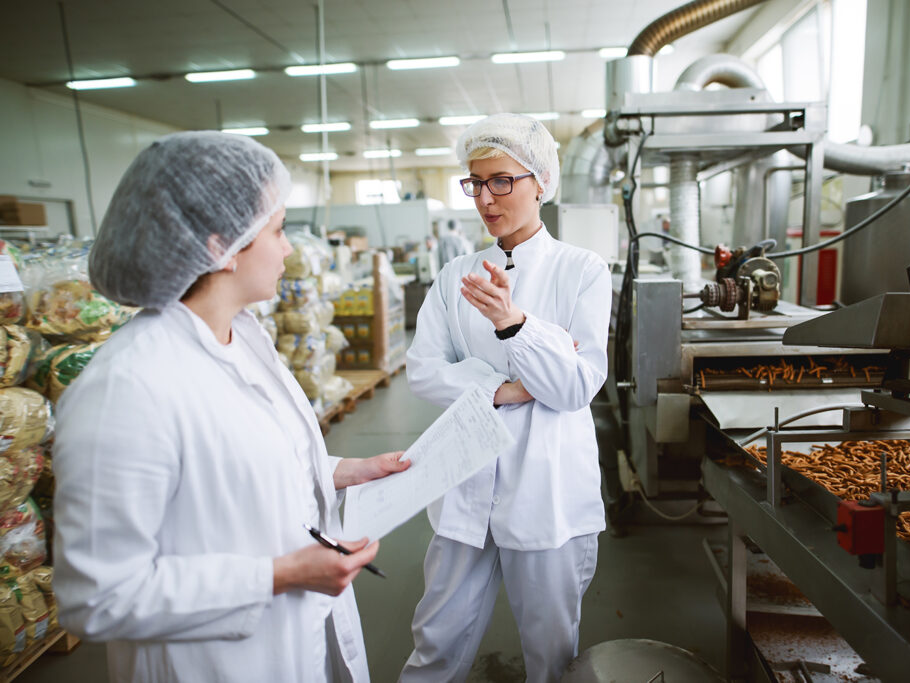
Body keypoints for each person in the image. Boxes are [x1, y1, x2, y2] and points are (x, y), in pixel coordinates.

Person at [52, 131, 409, 683]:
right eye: (279, 229)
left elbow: (243, 469)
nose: (290, 249)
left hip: (293, 642)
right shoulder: (125, 389)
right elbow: (98, 597)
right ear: (222, 246)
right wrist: (281, 574)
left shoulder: (242, 336)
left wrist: (343, 472)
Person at [401, 114, 612, 682]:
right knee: (436, 642)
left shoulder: (582, 271)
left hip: (545, 492)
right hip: (464, 483)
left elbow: (575, 386)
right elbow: (421, 370)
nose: (486, 199)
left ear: (540, 180)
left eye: (502, 181)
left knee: (551, 653)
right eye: (475, 183)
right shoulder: (454, 277)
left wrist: (515, 324)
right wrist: (504, 387)